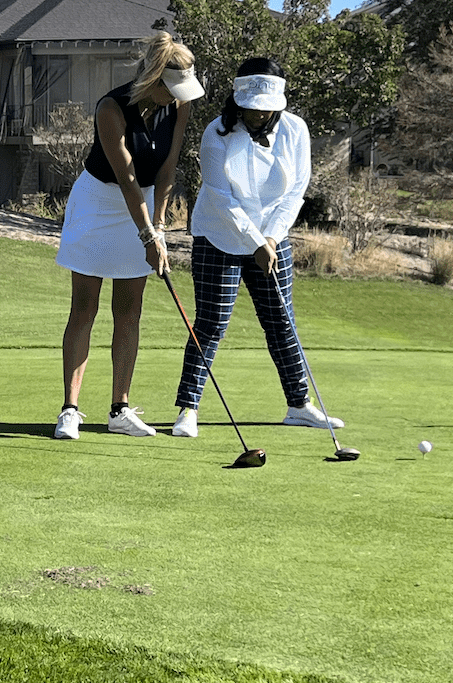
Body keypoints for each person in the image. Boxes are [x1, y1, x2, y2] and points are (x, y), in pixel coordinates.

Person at [170, 57, 343, 437]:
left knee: (282, 322)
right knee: (211, 324)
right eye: (251, 107)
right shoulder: (216, 133)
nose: (258, 115)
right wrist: (253, 241)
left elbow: (296, 190)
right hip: (219, 237)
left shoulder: (296, 130)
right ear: (238, 100)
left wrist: (270, 238)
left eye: (266, 110)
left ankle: (299, 405)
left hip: (272, 237)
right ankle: (188, 409)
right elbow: (219, 195)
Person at [50, 31, 203, 438]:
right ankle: (70, 409)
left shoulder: (180, 104)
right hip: (99, 204)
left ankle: (119, 409)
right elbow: (126, 177)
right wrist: (147, 235)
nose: (176, 96)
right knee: (84, 308)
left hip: (146, 202)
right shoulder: (111, 108)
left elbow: (167, 169)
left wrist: (160, 228)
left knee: (129, 309)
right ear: (153, 78)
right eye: (171, 88)